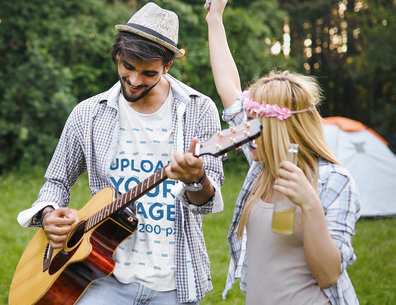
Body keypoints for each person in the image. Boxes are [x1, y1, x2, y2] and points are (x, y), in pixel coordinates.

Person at [17, 2, 224, 304]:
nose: (135, 80)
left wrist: (196, 179)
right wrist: (49, 214)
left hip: (174, 280)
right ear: (117, 55)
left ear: (167, 67)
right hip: (99, 276)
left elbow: (206, 204)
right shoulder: (87, 113)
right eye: (127, 66)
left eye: (148, 72)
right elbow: (56, 182)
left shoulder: (199, 109)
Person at [204, 1, 360, 304]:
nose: (244, 132)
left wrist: (310, 205)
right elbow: (227, 86)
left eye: (252, 124)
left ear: (276, 130)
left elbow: (329, 274)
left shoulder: (334, 181)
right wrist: (215, 18)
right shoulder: (263, 166)